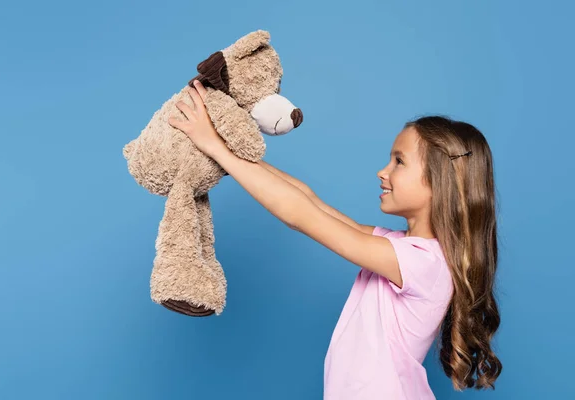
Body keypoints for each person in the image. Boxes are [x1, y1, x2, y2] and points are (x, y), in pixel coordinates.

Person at [169, 80, 502, 399]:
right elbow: (311, 202)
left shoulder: (421, 262)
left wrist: (214, 146)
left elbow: (301, 215)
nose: (382, 171)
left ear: (439, 182)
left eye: (399, 162)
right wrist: (228, 155)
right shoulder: (399, 248)